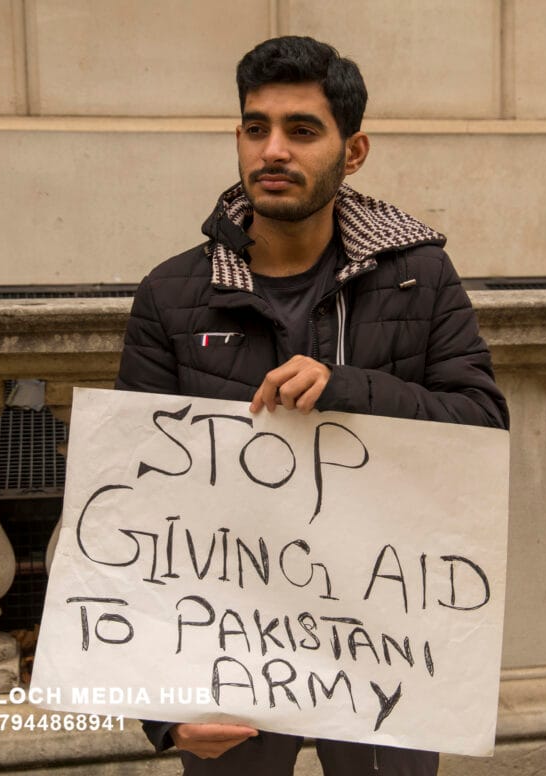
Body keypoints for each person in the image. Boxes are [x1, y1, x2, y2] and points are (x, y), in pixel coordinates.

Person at [116, 34, 509, 776]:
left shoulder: (419, 277)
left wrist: (346, 387)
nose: (273, 150)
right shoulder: (170, 295)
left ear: (352, 151)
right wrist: (163, 710)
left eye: (302, 131)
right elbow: (133, 507)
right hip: (230, 651)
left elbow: (481, 425)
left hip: (382, 643)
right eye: (256, 127)